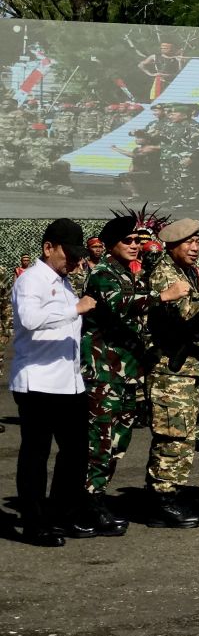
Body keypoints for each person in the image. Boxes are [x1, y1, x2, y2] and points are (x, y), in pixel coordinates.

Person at [80, 215, 189, 536]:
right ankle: (87, 502)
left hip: (127, 374)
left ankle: (96, 499)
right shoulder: (103, 275)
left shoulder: (132, 275)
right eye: (127, 241)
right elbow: (118, 304)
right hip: (103, 374)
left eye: (138, 241)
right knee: (98, 442)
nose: (135, 246)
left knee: (118, 443)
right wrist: (163, 296)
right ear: (111, 244)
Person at [9, 219, 97, 546]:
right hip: (38, 382)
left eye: (78, 254)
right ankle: (35, 523)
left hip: (68, 383)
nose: (74, 261)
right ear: (48, 248)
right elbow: (31, 320)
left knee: (75, 452)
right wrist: (76, 309)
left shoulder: (63, 282)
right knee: (36, 454)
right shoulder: (32, 280)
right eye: (68, 253)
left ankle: (62, 513)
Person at [144, 219, 199, 528]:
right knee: (172, 436)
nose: (196, 248)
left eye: (198, 242)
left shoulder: (182, 271)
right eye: (189, 242)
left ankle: (169, 493)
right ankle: (162, 500)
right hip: (169, 368)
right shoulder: (164, 272)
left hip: (185, 368)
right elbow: (183, 310)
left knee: (182, 435)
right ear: (173, 244)